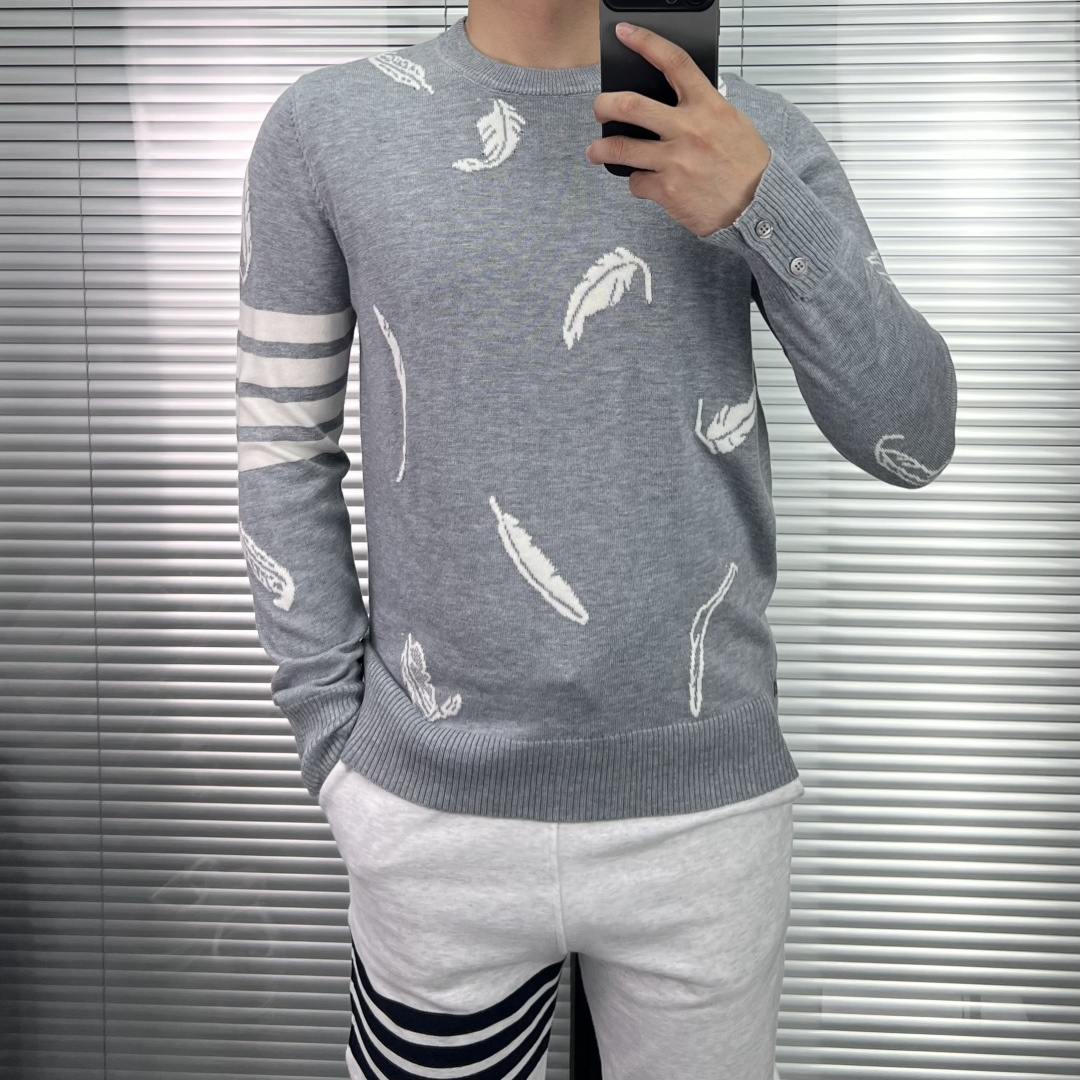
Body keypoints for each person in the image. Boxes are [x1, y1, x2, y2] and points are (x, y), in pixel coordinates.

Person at [235, 0, 957, 1075]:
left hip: (704, 819)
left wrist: (761, 204)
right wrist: (334, 744)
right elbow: (282, 445)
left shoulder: (742, 131)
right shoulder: (328, 126)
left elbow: (915, 440)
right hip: (430, 818)